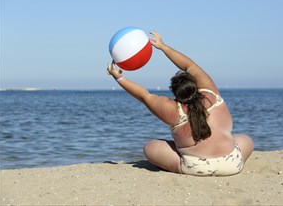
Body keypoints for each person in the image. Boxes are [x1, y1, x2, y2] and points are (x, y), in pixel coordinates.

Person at [106, 32, 254, 176]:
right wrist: (163, 47)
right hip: (233, 164)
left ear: (175, 93)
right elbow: (190, 66)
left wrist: (119, 78)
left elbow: (144, 96)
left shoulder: (174, 110)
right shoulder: (212, 94)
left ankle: (184, 162)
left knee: (150, 147)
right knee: (245, 139)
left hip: (196, 167)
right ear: (196, 85)